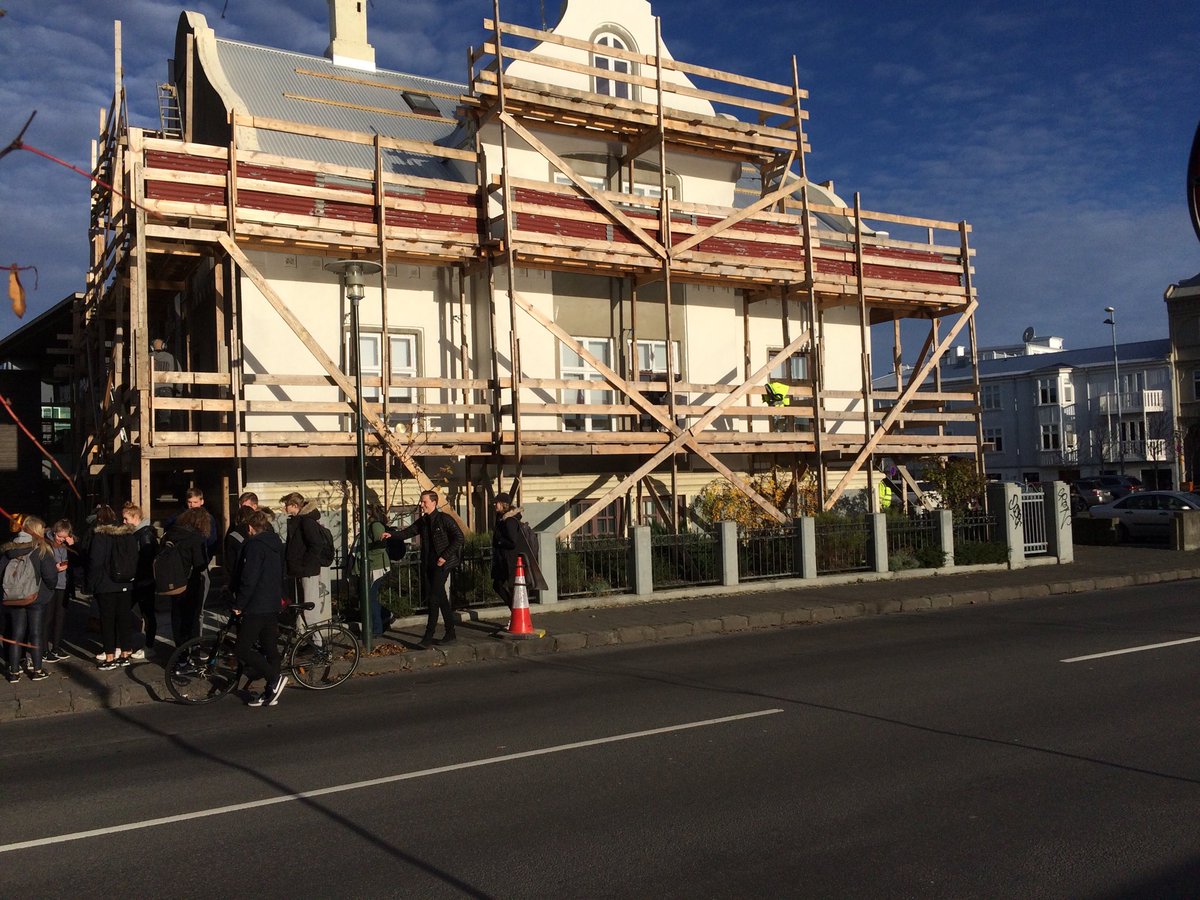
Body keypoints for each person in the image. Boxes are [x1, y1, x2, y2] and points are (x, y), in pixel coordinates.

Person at [390, 490, 464, 647]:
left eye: (424, 502)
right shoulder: (423, 521)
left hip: (442, 564)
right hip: (428, 563)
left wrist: (444, 556)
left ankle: (428, 637)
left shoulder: (444, 519)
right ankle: (451, 633)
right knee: (441, 598)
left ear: (434, 503)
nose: (421, 505)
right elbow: (408, 532)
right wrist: (391, 535)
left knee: (433, 599)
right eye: (421, 501)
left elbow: (459, 538)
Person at [231, 509, 288, 707]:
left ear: (250, 528)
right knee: (270, 648)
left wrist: (239, 604)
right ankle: (271, 692)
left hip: (256, 604)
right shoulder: (276, 544)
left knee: (242, 649)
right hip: (272, 602)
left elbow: (249, 578)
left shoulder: (254, 546)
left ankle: (274, 678)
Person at [2, 516, 59, 682]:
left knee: (16, 633)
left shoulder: (9, 549)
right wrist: (47, 590)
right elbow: (50, 576)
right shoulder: (40, 549)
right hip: (36, 598)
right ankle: (37, 670)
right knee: (36, 633)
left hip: (13, 598)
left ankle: (13, 671)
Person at [86, 504, 138, 670]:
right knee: (124, 618)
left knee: (107, 621)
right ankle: (126, 653)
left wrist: (91, 583)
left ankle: (110, 656)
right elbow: (135, 557)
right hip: (126, 582)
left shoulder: (100, 535)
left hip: (105, 584)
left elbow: (95, 561)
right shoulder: (128, 534)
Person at [163, 507, 211, 653]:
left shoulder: (170, 534)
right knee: (192, 616)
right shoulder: (196, 538)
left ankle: (180, 650)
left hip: (173, 580)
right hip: (191, 582)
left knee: (177, 615)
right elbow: (200, 563)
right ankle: (192, 647)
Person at [281, 491, 330, 629]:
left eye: (287, 505)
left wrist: (304, 563)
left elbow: (316, 544)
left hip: (306, 570)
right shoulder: (301, 521)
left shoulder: (306, 522)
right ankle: (311, 640)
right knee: (304, 606)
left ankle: (318, 644)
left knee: (310, 608)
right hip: (301, 570)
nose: (285, 508)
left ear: (294, 505)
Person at [489, 493, 546, 610]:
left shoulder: (510, 521)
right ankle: (515, 611)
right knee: (498, 585)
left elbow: (512, 542)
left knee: (505, 587)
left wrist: (499, 541)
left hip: (509, 560)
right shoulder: (500, 518)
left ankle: (516, 612)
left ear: (504, 504)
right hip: (503, 559)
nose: (495, 505)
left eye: (497, 502)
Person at [351, 502, 395, 636]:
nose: (357, 516)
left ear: (368, 514)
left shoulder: (374, 525)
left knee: (369, 599)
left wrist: (366, 554)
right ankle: (385, 616)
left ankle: (375, 630)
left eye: (359, 514)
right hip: (369, 567)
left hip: (375, 567)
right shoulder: (366, 526)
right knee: (368, 598)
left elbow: (381, 544)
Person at [122, 502, 159, 658]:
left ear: (135, 517)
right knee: (131, 610)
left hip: (143, 580)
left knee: (147, 613)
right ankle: (126, 644)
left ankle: (149, 646)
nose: (124, 522)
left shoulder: (145, 535)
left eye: (126, 519)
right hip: (138, 579)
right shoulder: (140, 534)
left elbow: (146, 558)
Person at [43, 519, 75, 663]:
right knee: (48, 618)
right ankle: (44, 649)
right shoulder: (46, 544)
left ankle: (56, 647)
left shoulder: (66, 544)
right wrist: (53, 569)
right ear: (54, 532)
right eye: (59, 536)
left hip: (63, 584)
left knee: (60, 617)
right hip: (50, 585)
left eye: (64, 537)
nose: (61, 539)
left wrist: (73, 546)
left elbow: (78, 560)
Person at [151, 337, 181, 430]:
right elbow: (179, 375)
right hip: (167, 390)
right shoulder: (171, 358)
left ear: (152, 347)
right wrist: (179, 392)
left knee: (151, 416)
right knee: (164, 419)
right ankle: (164, 439)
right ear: (164, 346)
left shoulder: (148, 357)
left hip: (151, 390)